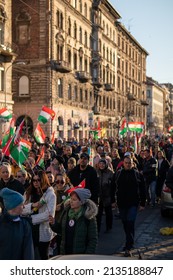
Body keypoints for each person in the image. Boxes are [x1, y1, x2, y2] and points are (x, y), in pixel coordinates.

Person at [112, 156, 146, 257]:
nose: (128, 164)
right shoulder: (118, 174)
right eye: (126, 163)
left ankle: (129, 246)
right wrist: (113, 201)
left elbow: (142, 189)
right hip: (122, 203)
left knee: (130, 223)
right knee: (125, 223)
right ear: (123, 163)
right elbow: (113, 187)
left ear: (132, 163)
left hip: (133, 203)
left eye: (129, 163)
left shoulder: (137, 174)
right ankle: (129, 242)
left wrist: (143, 203)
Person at [49, 188, 98, 255]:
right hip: (65, 253)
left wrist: (87, 256)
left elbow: (93, 240)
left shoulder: (89, 216)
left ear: (82, 202)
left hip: (80, 256)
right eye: (71, 198)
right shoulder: (66, 212)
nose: (71, 201)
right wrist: (53, 223)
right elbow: (60, 230)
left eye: (74, 200)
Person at [22, 170, 56, 259]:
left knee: (43, 256)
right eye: (34, 180)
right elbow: (21, 210)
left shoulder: (50, 194)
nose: (36, 182)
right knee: (29, 256)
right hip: (30, 230)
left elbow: (48, 214)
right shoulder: (28, 192)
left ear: (43, 180)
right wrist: (32, 205)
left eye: (38, 180)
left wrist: (31, 219)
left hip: (43, 230)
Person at [0, 188, 34, 260]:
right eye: (22, 204)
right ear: (13, 206)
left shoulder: (25, 225)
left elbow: (28, 250)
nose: (24, 207)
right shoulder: (1, 223)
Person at [97, 159, 115, 233]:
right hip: (99, 196)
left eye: (103, 164)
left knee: (108, 213)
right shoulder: (96, 172)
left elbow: (113, 186)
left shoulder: (110, 173)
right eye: (100, 164)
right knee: (98, 213)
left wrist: (113, 198)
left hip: (107, 195)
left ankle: (109, 227)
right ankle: (97, 229)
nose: (101, 165)